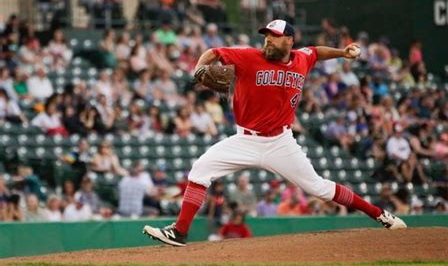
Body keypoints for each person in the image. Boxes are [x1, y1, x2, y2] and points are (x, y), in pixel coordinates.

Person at [143, 19, 406, 247]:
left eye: (274, 36)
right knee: (200, 170)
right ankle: (180, 232)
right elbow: (213, 52)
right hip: (245, 139)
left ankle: (380, 215)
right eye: (266, 35)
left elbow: (316, 51)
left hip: (281, 142)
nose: (268, 40)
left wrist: (343, 53)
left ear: (289, 41)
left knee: (319, 188)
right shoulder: (248, 57)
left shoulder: (302, 58)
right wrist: (198, 69)